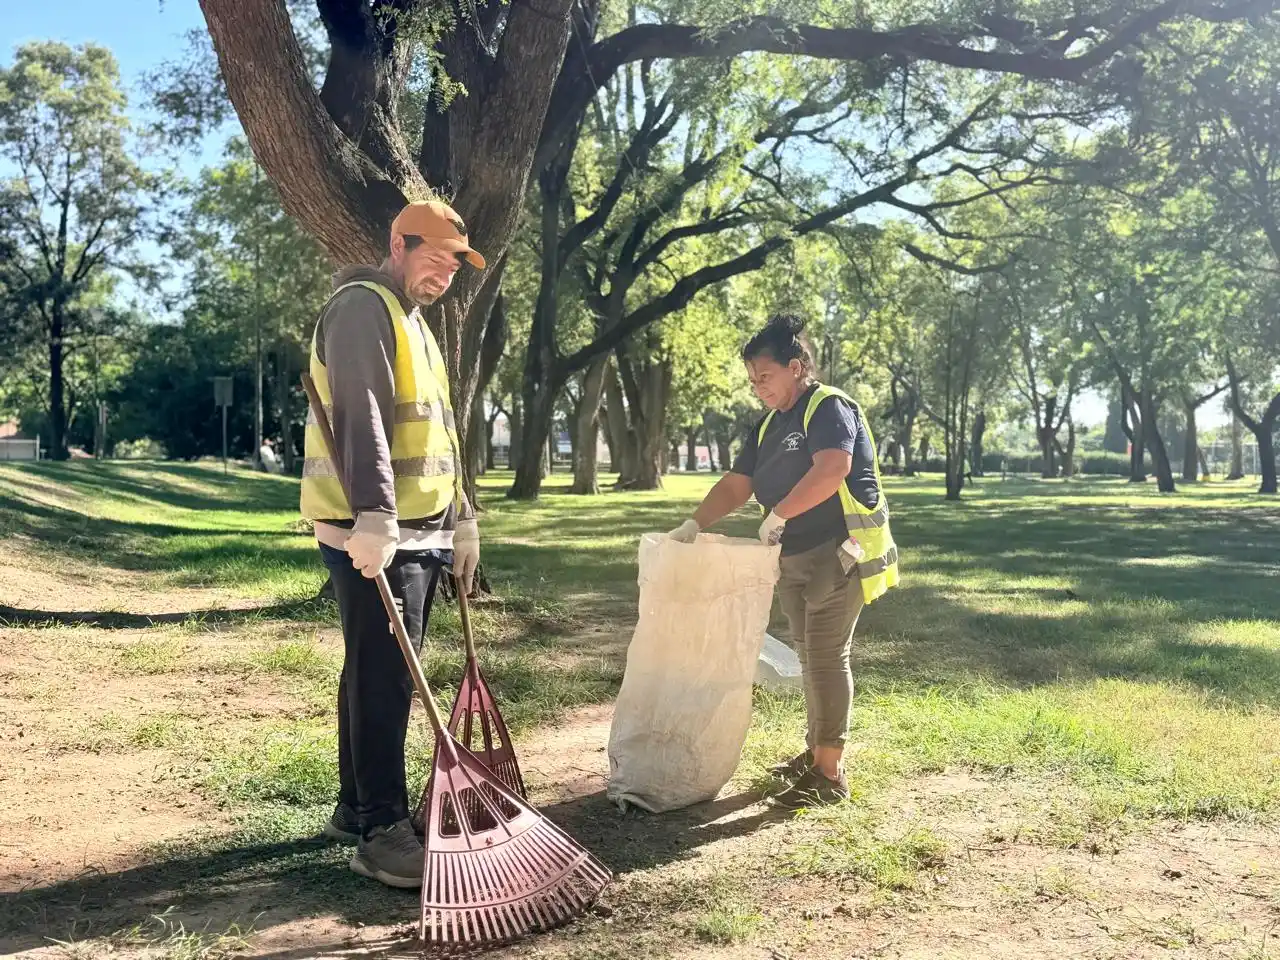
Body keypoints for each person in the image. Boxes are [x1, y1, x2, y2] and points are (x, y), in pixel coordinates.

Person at [299, 200, 486, 888]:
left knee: (374, 667)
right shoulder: (361, 308)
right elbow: (361, 414)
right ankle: (381, 827)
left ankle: (357, 809)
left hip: (423, 529)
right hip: (380, 532)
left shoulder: (417, 324)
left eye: (453, 265)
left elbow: (439, 431)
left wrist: (462, 518)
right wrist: (375, 516)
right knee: (385, 675)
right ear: (397, 244)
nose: (443, 274)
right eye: (433, 258)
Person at [668, 314, 899, 809]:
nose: (757, 387)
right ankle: (816, 753)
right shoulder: (772, 423)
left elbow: (833, 468)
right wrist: (695, 523)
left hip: (837, 553)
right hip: (792, 557)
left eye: (764, 376)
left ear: (796, 368)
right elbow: (737, 483)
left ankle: (830, 774)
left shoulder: (828, 407)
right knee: (810, 655)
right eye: (752, 379)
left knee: (825, 653)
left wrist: (779, 514)